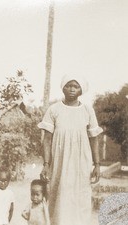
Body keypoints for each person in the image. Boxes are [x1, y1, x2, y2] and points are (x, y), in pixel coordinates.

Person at [38, 75, 103, 225]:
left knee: (80, 197)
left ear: (81, 89)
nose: (72, 89)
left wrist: (97, 165)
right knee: (58, 196)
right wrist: (46, 164)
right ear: (63, 87)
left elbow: (94, 138)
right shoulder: (54, 109)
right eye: (69, 85)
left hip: (81, 162)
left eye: (76, 86)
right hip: (59, 162)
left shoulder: (87, 110)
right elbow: (47, 139)